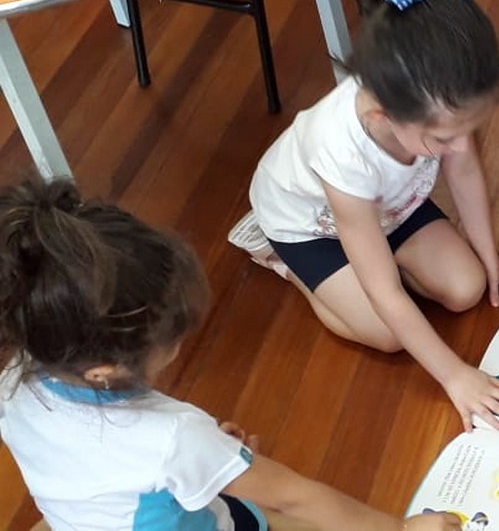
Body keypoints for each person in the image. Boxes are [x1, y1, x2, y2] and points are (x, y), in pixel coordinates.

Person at [0, 177, 462, 531]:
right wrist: (403, 527)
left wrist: (200, 459)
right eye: (172, 339)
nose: (179, 344)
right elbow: (295, 497)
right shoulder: (175, 437)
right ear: (104, 370)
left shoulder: (15, 375)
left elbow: (98, 463)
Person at [228, 0, 499, 430]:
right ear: (382, 118)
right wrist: (454, 375)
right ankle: (285, 263)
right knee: (388, 334)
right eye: (443, 138)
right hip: (312, 227)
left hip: (391, 207)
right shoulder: (341, 152)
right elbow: (383, 289)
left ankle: (384, 265)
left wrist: (486, 253)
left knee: (467, 288)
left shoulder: (434, 103)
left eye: (467, 131)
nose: (459, 146)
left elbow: (465, 169)